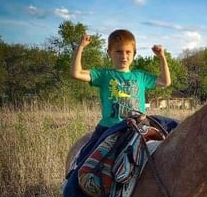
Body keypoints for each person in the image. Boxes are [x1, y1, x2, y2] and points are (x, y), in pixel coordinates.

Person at [70, 29, 171, 165]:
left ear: (134, 54)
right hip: (109, 127)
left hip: (138, 126)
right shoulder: (104, 75)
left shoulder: (140, 76)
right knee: (85, 159)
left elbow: (165, 82)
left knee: (172, 129)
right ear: (109, 53)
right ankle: (70, 185)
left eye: (128, 52)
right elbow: (76, 73)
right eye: (118, 52)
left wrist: (162, 57)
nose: (123, 56)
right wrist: (80, 47)